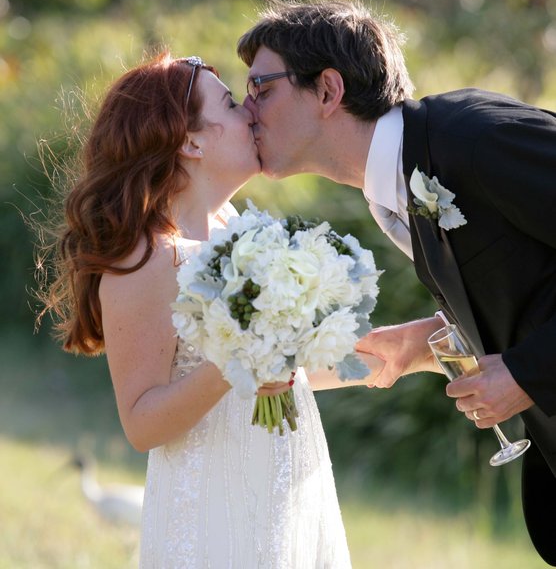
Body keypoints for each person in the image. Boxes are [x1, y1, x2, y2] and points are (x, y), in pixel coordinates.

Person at [238, 0, 556, 566]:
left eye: (262, 87)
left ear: (328, 91)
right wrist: (425, 342)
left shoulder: (473, 138)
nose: (246, 107)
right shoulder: (396, 186)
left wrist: (526, 371)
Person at [37, 50, 386, 568]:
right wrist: (237, 359)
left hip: (282, 490)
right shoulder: (146, 257)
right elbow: (141, 423)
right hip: (210, 514)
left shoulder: (235, 227)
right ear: (191, 140)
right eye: (229, 104)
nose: (250, 111)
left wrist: (406, 350)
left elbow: (286, 368)